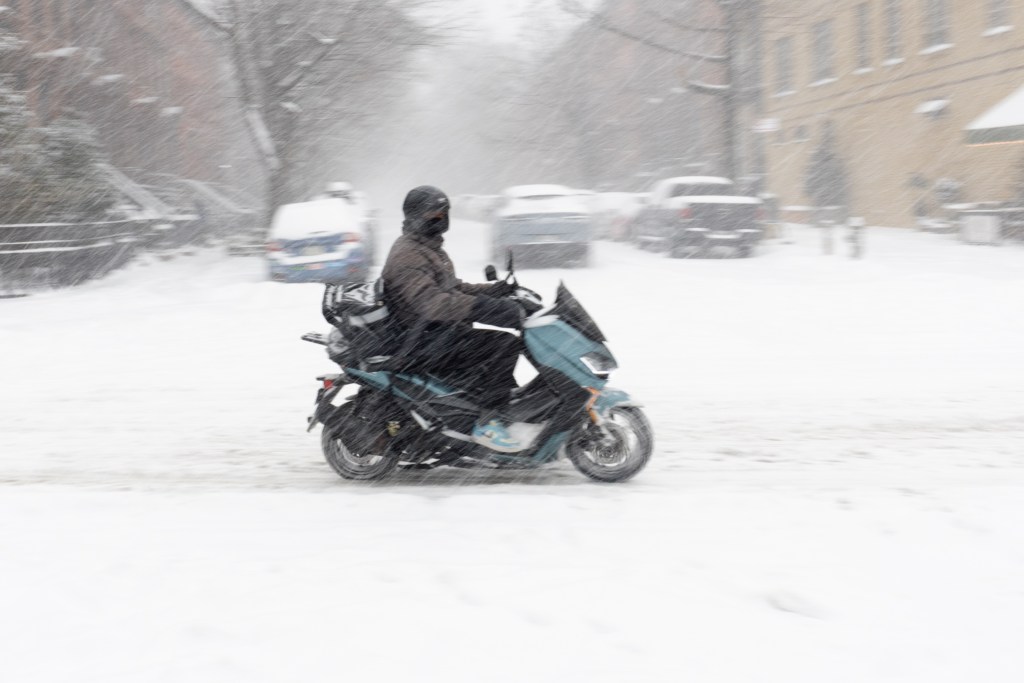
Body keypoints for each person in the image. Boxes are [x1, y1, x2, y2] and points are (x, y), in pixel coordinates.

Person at [381, 185, 523, 408]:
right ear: (415, 216)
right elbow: (433, 304)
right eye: (432, 214)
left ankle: (508, 408)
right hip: (420, 340)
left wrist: (494, 291)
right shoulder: (408, 254)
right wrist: (483, 308)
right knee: (503, 344)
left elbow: (452, 288)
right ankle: (492, 421)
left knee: (494, 357)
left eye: (443, 213)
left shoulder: (429, 247)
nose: (439, 218)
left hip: (436, 332)